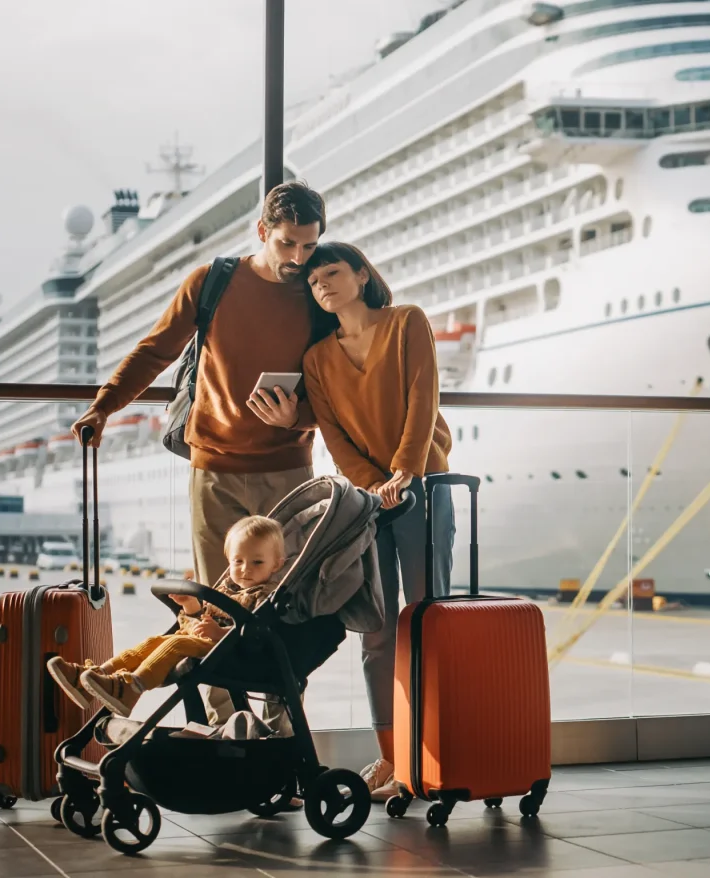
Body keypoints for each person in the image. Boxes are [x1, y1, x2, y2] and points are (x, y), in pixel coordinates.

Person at [72, 181, 326, 588]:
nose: (298, 258)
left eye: (309, 246)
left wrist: (299, 417)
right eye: (287, 243)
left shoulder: (320, 296)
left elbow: (338, 385)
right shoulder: (212, 282)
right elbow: (155, 351)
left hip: (288, 471)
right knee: (216, 602)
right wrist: (103, 407)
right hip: (213, 472)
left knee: (286, 605)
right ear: (263, 231)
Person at [301, 242, 454, 801]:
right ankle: (391, 758)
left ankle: (435, 752)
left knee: (428, 622)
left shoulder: (406, 322)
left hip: (424, 488)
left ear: (362, 275)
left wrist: (405, 473)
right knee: (376, 631)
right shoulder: (318, 358)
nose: (323, 286)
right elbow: (333, 437)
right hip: (369, 501)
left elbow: (423, 398)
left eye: (333, 273)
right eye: (314, 281)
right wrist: (373, 486)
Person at [46, 516, 287, 717]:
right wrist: (191, 605)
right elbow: (202, 623)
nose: (246, 569)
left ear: (276, 564)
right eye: (238, 561)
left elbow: (260, 635)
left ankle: (131, 689)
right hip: (209, 643)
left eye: (257, 562)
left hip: (234, 651)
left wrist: (221, 633)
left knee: (176, 643)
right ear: (228, 560)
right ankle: (98, 676)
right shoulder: (228, 588)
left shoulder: (267, 597)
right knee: (154, 641)